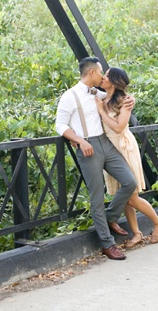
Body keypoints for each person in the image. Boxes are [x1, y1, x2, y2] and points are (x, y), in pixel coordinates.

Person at [55, 57, 137, 260]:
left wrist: (130, 99)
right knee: (97, 197)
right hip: (88, 147)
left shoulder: (98, 93)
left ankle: (109, 217)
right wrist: (79, 141)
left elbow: (115, 96)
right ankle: (107, 244)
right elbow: (60, 125)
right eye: (101, 72)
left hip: (105, 143)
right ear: (92, 73)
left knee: (129, 182)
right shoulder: (70, 96)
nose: (103, 75)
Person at [95, 66, 158, 248]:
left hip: (124, 146)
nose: (103, 77)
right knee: (124, 193)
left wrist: (102, 112)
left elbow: (119, 127)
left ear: (115, 81)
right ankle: (137, 233)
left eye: (107, 75)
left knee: (131, 196)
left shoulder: (123, 101)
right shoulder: (103, 97)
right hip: (110, 149)